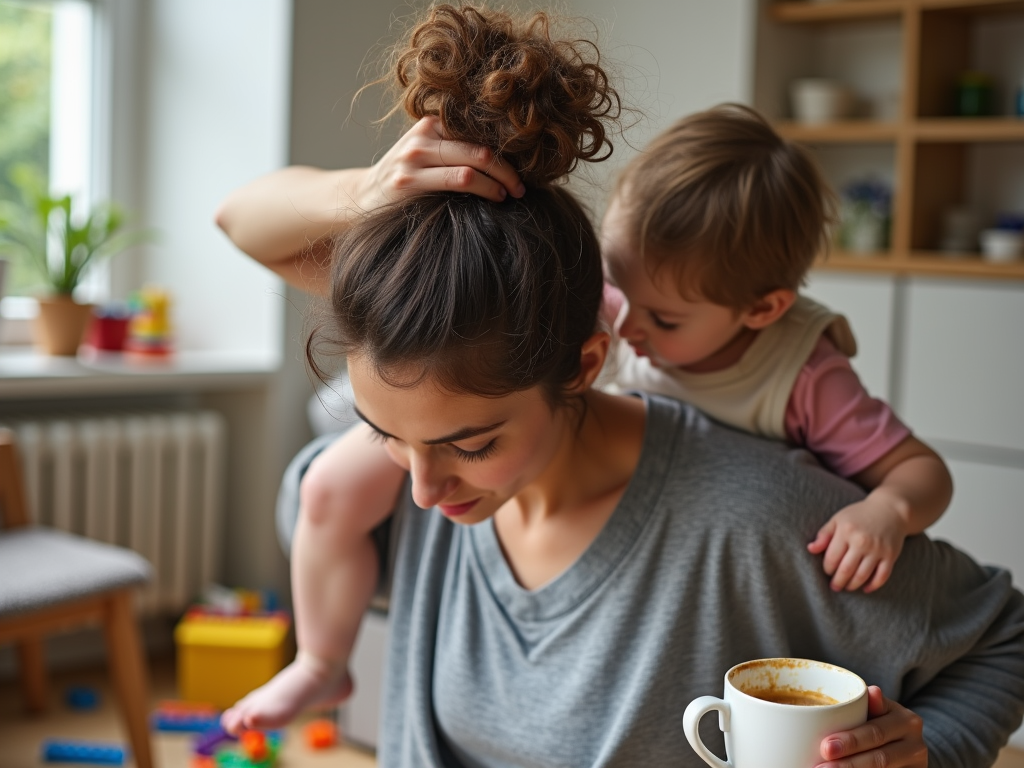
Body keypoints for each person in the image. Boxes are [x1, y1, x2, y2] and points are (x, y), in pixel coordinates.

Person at [216, 6, 1024, 766]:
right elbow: (238, 218)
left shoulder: (762, 517)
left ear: (587, 362)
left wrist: (927, 751)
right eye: (386, 433)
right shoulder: (392, 494)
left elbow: (1004, 638)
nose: (423, 491)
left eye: (471, 444)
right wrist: (364, 195)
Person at [597, 103, 954, 595]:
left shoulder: (805, 376)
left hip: (751, 568)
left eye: (664, 319)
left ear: (761, 310)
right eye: (617, 286)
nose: (624, 324)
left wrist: (886, 510)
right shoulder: (627, 291)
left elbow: (923, 471)